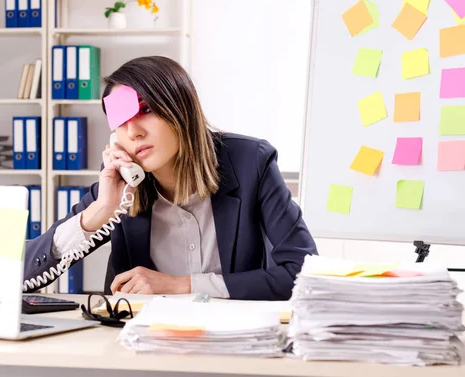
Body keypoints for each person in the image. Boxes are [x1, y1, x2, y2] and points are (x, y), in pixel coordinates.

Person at [22, 56, 317, 300]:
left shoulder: (251, 162)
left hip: (235, 341)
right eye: (120, 122)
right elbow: (20, 273)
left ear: (181, 110)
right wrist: (99, 212)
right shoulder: (120, 189)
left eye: (146, 110)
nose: (134, 131)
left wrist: (180, 284)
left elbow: (303, 273)